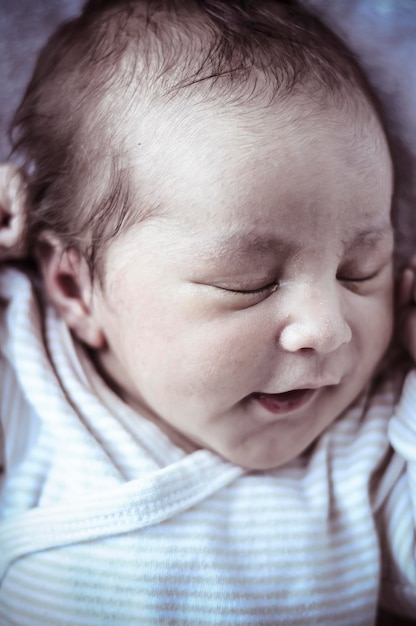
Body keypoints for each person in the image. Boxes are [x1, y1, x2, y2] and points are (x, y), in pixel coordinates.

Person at [0, 0, 415, 623]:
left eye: (361, 271)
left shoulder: (372, 440)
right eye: (248, 283)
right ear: (75, 287)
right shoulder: (34, 379)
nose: (327, 329)